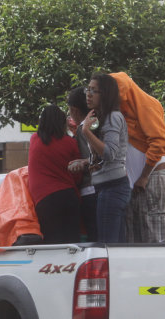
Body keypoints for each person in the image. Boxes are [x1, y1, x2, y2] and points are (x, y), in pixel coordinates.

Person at [109, 72, 165, 243]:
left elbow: (159, 143)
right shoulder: (119, 111)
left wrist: (144, 176)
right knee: (133, 233)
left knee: (155, 230)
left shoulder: (148, 104)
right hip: (132, 181)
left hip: (150, 177)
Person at [69, 73, 131, 243]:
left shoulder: (113, 117)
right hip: (106, 188)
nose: (88, 94)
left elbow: (110, 153)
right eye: (87, 89)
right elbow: (104, 158)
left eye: (93, 91)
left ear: (106, 94)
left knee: (107, 245)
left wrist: (86, 132)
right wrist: (84, 162)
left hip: (113, 188)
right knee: (113, 244)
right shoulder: (100, 118)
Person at [28, 104, 81, 244]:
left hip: (44, 201)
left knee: (51, 244)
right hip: (68, 196)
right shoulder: (70, 143)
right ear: (62, 123)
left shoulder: (34, 140)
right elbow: (78, 173)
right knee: (72, 244)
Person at [67, 86, 98, 242]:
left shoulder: (82, 129)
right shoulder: (96, 123)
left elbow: (90, 157)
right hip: (103, 187)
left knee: (95, 236)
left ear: (74, 110)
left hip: (89, 190)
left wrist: (79, 163)